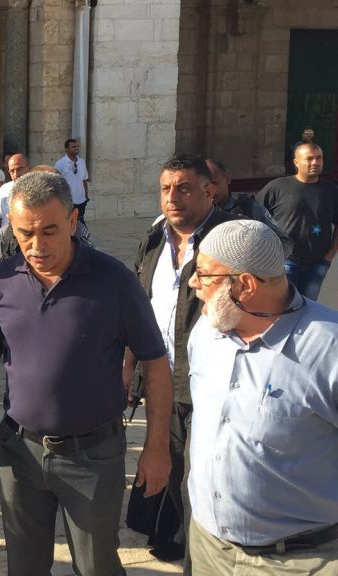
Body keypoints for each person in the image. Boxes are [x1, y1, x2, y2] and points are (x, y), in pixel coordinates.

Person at [0, 171, 172, 576]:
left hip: (94, 456)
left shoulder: (115, 282)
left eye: (49, 231)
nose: (36, 246)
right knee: (24, 567)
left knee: (97, 568)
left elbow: (156, 363)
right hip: (20, 453)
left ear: (73, 221)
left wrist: (157, 446)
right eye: (25, 233)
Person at [185, 219, 338, 574]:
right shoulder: (206, 332)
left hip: (300, 562)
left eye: (205, 275)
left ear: (246, 285)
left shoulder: (328, 349)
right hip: (209, 549)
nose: (194, 283)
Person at [125, 154, 243, 566]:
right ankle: (174, 539)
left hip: (213, 382)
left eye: (184, 188)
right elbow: (139, 305)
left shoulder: (229, 240)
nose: (172, 197)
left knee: (206, 478)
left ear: (209, 191)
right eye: (165, 188)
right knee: (172, 466)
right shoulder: (155, 237)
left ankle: (206, 559)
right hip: (161, 378)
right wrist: (128, 367)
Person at [257, 143, 338, 301]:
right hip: (285, 263)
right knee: (283, 306)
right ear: (296, 162)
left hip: (318, 264)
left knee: (308, 307)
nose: (315, 162)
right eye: (309, 159)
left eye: (318, 158)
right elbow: (255, 217)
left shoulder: (331, 190)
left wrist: (330, 256)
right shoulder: (277, 187)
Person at [205, 158, 292, 256]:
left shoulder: (250, 208)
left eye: (215, 183)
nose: (210, 191)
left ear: (227, 179)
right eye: (204, 186)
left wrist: (262, 261)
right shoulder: (194, 212)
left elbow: (284, 243)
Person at [0, 153, 30, 262]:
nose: (16, 174)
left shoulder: (38, 190)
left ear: (29, 169)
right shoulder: (4, 189)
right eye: (12, 171)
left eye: (20, 169)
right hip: (8, 245)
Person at [54, 139, 91, 224]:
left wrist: (86, 196)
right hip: (68, 201)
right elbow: (55, 183)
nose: (76, 148)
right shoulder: (60, 164)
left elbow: (84, 180)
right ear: (66, 149)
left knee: (80, 223)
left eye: (77, 146)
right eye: (73, 147)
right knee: (68, 223)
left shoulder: (82, 162)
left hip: (81, 200)